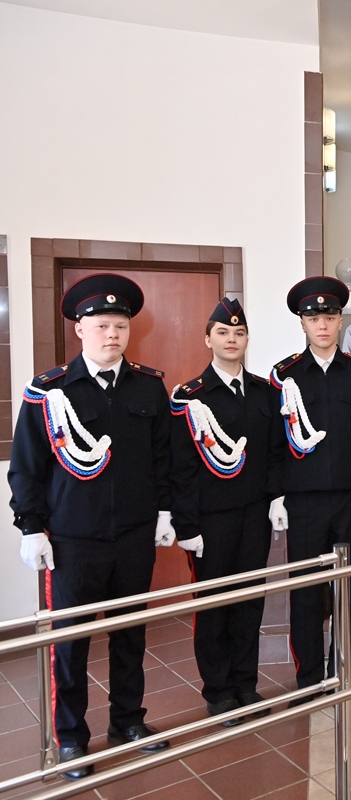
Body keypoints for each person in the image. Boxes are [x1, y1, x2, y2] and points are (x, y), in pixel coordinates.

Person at [9, 274, 173, 779]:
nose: (112, 334)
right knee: (70, 642)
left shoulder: (148, 385)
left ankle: (128, 721)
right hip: (73, 540)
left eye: (120, 325)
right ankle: (71, 739)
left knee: (129, 634)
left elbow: (162, 458)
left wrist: (164, 512)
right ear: (79, 329)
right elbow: (27, 467)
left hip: (134, 535)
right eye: (101, 325)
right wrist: (30, 526)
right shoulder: (48, 390)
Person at [269, 277, 351, 700]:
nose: (322, 325)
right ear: (302, 324)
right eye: (313, 319)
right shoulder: (284, 376)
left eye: (329, 317)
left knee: (350, 592)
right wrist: (276, 495)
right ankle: (308, 679)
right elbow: (274, 443)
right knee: (306, 590)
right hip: (303, 501)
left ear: (341, 321)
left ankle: (343, 673)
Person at [170, 298, 283, 726]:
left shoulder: (263, 392)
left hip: (254, 514)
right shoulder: (190, 397)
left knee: (249, 601)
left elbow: (274, 452)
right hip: (211, 520)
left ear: (247, 339)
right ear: (208, 339)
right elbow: (181, 467)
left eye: (239, 333)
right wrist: (186, 525)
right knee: (214, 606)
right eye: (222, 332)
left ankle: (245, 685)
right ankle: (218, 692)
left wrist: (276, 499)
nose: (231, 339)